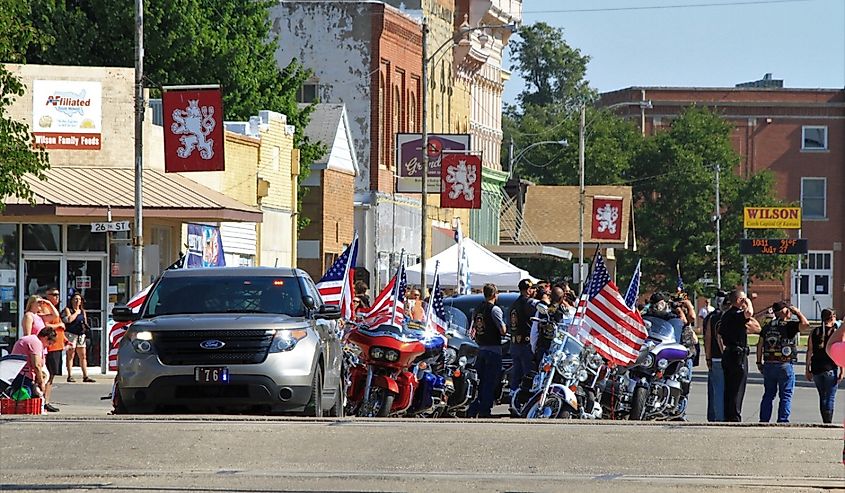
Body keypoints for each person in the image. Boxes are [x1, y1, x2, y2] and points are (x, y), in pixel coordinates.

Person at [757, 301, 808, 423]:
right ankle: (783, 420)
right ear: (784, 311)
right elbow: (805, 325)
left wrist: (759, 362)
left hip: (769, 363)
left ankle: (764, 420)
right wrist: (798, 312)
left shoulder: (768, 326)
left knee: (768, 394)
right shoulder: (788, 325)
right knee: (785, 395)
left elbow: (760, 345)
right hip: (784, 364)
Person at [718, 290, 762, 422]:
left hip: (729, 353)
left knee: (730, 387)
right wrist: (748, 302)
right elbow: (749, 313)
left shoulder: (726, 315)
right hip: (737, 355)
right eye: (742, 299)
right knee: (737, 388)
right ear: (738, 301)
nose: (745, 301)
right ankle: (734, 417)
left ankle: (728, 415)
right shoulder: (734, 314)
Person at [466, 283, 507, 418]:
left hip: (480, 349)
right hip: (493, 350)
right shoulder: (495, 310)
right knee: (490, 381)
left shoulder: (477, 309)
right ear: (495, 295)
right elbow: (502, 330)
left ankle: (473, 409)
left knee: (480, 381)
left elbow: (474, 329)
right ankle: (484, 410)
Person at [805, 308, 842, 423]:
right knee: (830, 396)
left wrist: (807, 369)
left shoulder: (814, 331)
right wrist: (842, 370)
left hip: (817, 368)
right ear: (832, 318)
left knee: (822, 396)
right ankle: (828, 421)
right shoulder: (836, 332)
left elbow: (809, 351)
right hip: (831, 367)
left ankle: (824, 420)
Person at [10, 327, 58, 410]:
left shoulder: (33, 340)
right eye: (49, 343)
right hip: (21, 375)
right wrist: (41, 382)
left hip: (18, 372)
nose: (48, 346)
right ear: (45, 338)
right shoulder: (36, 342)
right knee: (31, 395)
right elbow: (36, 365)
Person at [39, 287, 67, 412]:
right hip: (51, 347)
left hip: (58, 345)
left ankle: (46, 400)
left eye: (58, 295)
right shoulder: (46, 308)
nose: (57, 297)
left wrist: (65, 339)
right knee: (48, 376)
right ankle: (45, 401)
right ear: (48, 295)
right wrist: (59, 325)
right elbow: (45, 325)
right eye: (54, 295)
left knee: (52, 376)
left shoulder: (54, 309)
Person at [703, 291, 729, 422]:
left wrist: (708, 357)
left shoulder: (710, 317)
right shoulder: (727, 317)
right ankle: (720, 418)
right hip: (722, 357)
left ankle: (713, 416)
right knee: (721, 389)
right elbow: (708, 337)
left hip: (714, 358)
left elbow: (706, 339)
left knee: (714, 389)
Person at [508, 279, 537, 394]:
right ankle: (526, 400)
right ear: (528, 290)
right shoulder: (529, 303)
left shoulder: (513, 304)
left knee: (516, 374)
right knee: (528, 375)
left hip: (515, 344)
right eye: (532, 289)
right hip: (526, 344)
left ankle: (512, 396)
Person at [62, 293, 96, 383]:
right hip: (71, 334)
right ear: (72, 300)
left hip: (81, 335)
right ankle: (70, 375)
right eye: (75, 299)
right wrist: (76, 313)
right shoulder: (68, 310)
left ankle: (85, 376)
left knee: (83, 356)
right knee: (70, 355)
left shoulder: (82, 311)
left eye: (79, 299)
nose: (77, 301)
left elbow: (85, 322)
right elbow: (69, 320)